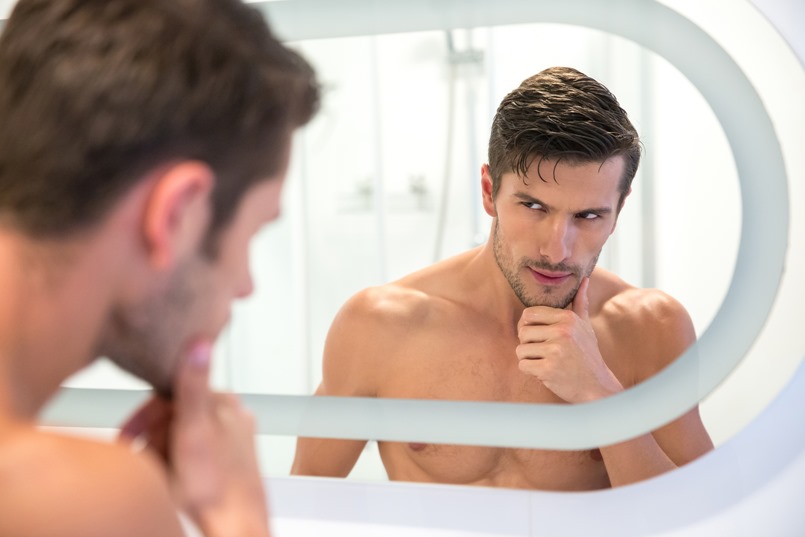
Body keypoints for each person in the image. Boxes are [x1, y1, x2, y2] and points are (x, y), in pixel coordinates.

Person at [292, 66, 713, 491]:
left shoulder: (651, 328)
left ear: (618, 210)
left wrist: (601, 395)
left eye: (588, 216)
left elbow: (706, 512)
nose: (556, 249)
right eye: (534, 207)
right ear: (490, 191)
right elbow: (305, 496)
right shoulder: (379, 325)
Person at [0, 0, 318, 535]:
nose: (245, 287)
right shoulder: (67, 498)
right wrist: (237, 516)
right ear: (176, 215)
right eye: (253, 232)